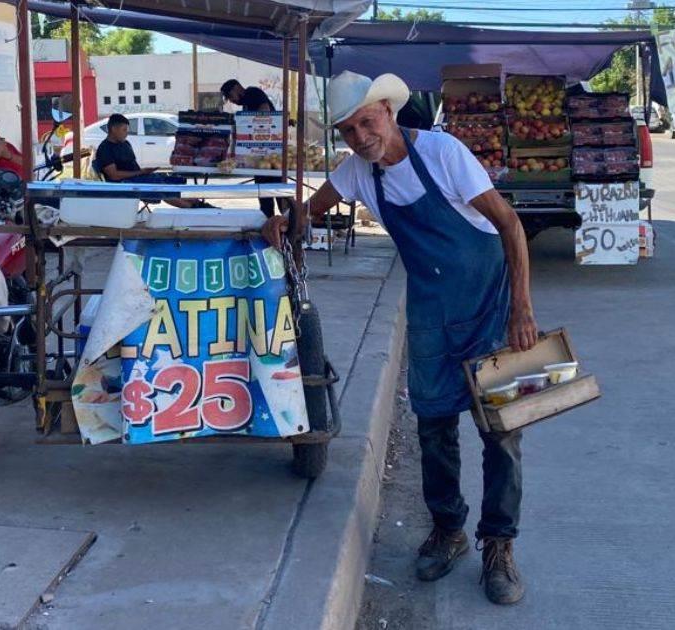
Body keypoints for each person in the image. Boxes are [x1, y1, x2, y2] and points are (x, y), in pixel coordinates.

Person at [262, 72, 538, 606]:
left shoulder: (443, 153)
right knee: (434, 428)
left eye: (367, 122)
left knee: (502, 431)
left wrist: (522, 310)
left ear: (388, 110)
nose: (360, 136)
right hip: (433, 315)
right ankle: (448, 529)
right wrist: (283, 222)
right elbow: (307, 213)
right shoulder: (358, 172)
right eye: (347, 130)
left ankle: (499, 545)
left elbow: (510, 225)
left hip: (489, 308)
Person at [94, 114, 203, 209]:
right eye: (124, 130)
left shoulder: (125, 144)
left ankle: (197, 203)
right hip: (123, 185)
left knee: (172, 179)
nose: (127, 133)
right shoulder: (105, 149)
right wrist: (141, 173)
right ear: (113, 129)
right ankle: (192, 207)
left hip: (137, 178)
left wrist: (144, 172)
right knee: (159, 186)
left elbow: (132, 167)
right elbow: (114, 176)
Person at [220, 79, 285, 218]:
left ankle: (293, 227)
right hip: (258, 158)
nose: (232, 101)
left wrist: (249, 122)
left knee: (280, 195)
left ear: (237, 88)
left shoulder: (252, 93)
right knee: (264, 197)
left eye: (231, 97)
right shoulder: (246, 105)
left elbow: (265, 112)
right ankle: (271, 224)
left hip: (270, 155)